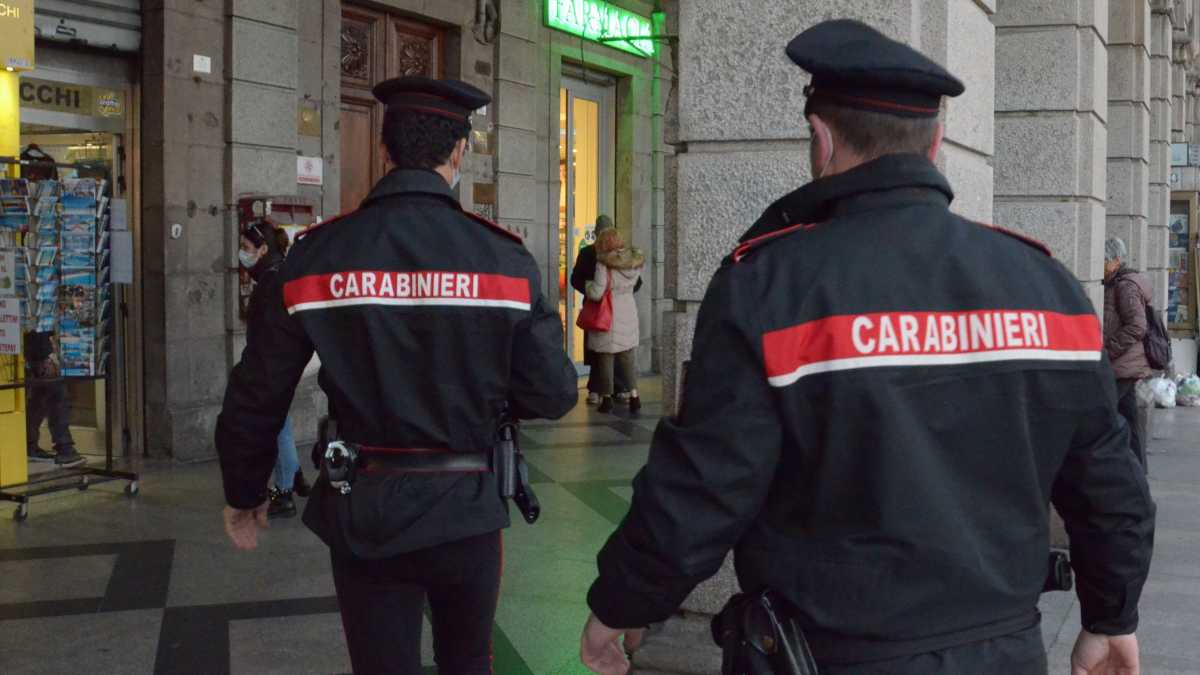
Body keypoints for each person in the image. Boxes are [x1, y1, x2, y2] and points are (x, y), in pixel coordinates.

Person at [579, 19, 1156, 675]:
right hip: (1003, 651)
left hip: (827, 655)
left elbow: (704, 487)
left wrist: (623, 602)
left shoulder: (769, 285)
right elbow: (1111, 479)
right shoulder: (1043, 282)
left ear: (820, 139)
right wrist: (1112, 615)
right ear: (936, 144)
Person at [215, 75, 577, 674]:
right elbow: (554, 392)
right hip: (467, 504)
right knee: (467, 661)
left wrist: (244, 491)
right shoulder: (503, 258)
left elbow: (258, 389)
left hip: (365, 505)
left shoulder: (318, 255)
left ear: (384, 150)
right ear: (459, 151)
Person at [238, 224, 310, 519]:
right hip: (279, 363)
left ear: (264, 249)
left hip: (271, 365)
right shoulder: (278, 274)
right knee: (280, 424)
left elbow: (268, 330)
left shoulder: (270, 281)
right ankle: (293, 476)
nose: (242, 253)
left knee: (275, 425)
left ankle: (284, 491)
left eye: (247, 247)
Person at [571, 215, 642, 404]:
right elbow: (637, 283)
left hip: (601, 312)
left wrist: (588, 288)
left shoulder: (594, 256)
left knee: (603, 355)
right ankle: (629, 392)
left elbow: (593, 289)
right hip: (627, 311)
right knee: (625, 354)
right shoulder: (629, 258)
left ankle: (602, 394)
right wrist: (623, 292)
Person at [1102, 237, 1155, 468]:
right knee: (1130, 418)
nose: (1099, 265)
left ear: (1115, 261)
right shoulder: (1116, 282)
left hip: (1122, 364)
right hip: (1125, 364)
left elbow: (1137, 325)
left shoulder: (1125, 286)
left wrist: (1108, 350)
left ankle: (1112, 473)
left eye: (1103, 260)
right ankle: (1137, 469)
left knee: (1100, 416)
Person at [23, 331, 85, 467]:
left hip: (30, 349)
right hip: (37, 349)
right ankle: (64, 447)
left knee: (38, 397)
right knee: (55, 394)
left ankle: (29, 443)